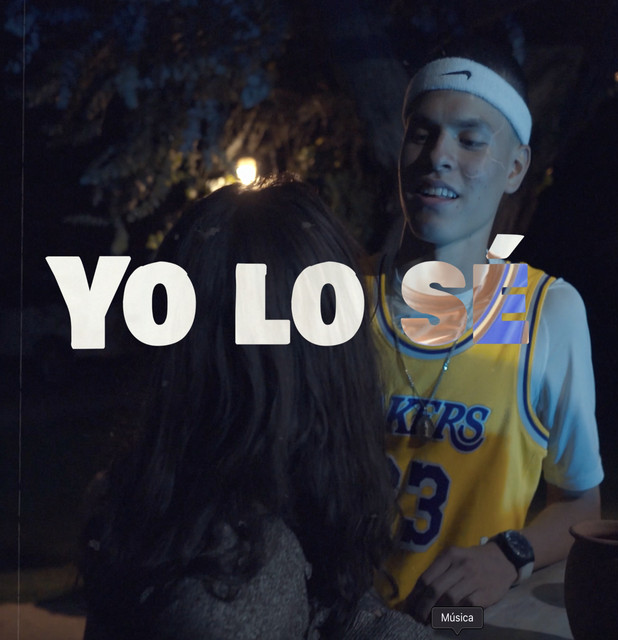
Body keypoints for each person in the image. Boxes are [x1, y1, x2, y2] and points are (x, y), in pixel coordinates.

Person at [79, 177, 434, 640]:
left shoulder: (184, 507)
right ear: (324, 364)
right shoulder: (239, 580)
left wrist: (461, 619)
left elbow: (343, 614)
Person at [369, 40, 603, 620]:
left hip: (453, 623)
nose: (438, 156)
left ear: (515, 168)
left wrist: (509, 555)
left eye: (470, 140)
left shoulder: (548, 312)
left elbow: (582, 503)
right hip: (336, 622)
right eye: (422, 134)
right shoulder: (338, 299)